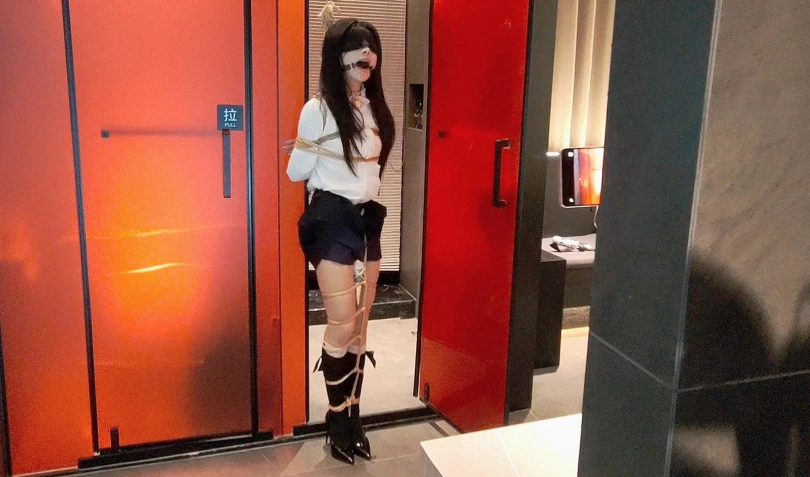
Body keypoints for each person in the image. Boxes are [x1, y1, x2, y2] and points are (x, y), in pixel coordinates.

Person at [284, 16, 395, 465]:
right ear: (337, 55)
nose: (367, 54)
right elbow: (296, 172)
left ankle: (354, 418)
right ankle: (336, 420)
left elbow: (372, 171)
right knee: (343, 323)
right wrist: (316, 152)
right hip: (331, 219)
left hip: (366, 219)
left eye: (371, 47)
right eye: (357, 46)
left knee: (361, 327)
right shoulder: (317, 109)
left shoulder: (372, 107)